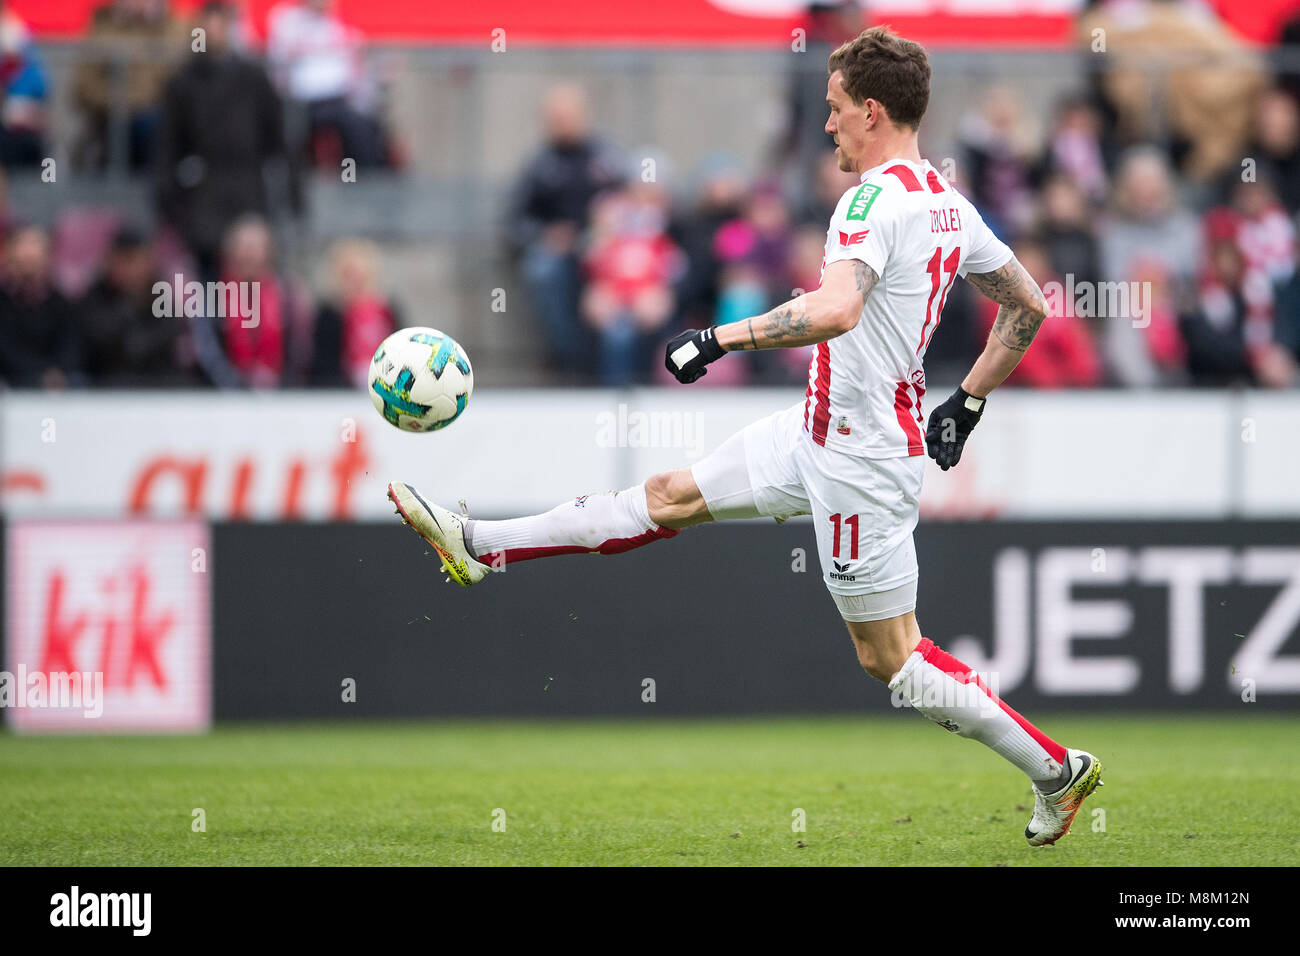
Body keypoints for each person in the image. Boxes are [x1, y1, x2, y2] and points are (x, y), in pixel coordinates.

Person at [387, 27, 1103, 847]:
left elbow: (837, 309)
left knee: (892, 660)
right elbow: (1027, 306)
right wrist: (967, 403)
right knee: (667, 495)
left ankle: (1056, 768)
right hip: (820, 430)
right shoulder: (946, 198)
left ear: (873, 112)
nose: (827, 125)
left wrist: (721, 338)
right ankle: (479, 542)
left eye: (835, 111)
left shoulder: (870, 202)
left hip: (861, 458)